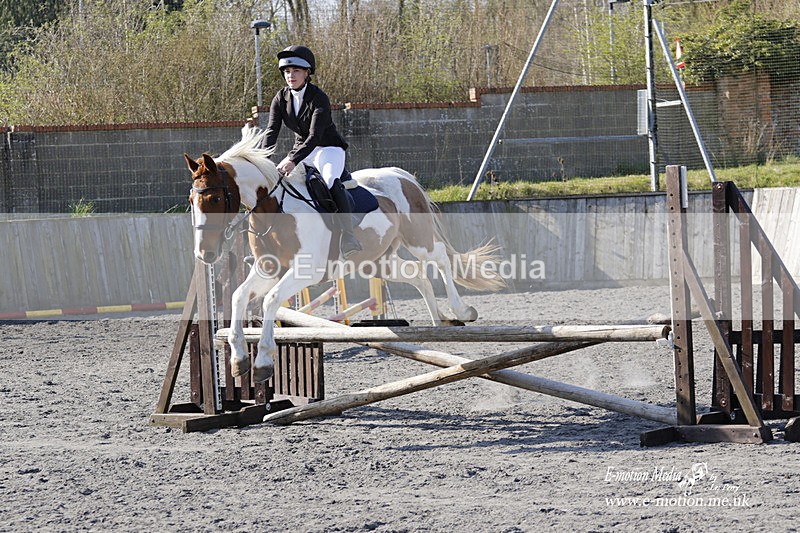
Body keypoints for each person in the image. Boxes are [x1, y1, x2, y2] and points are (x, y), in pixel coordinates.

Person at [261, 45, 362, 258]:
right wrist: (262, 161)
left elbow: (315, 136)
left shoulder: (319, 97)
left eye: (296, 71)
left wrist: (292, 160)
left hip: (328, 149)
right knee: (280, 185)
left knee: (329, 179)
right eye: (287, 72)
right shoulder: (280, 98)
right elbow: (271, 131)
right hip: (302, 150)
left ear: (307, 73)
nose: (291, 75)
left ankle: (349, 234)